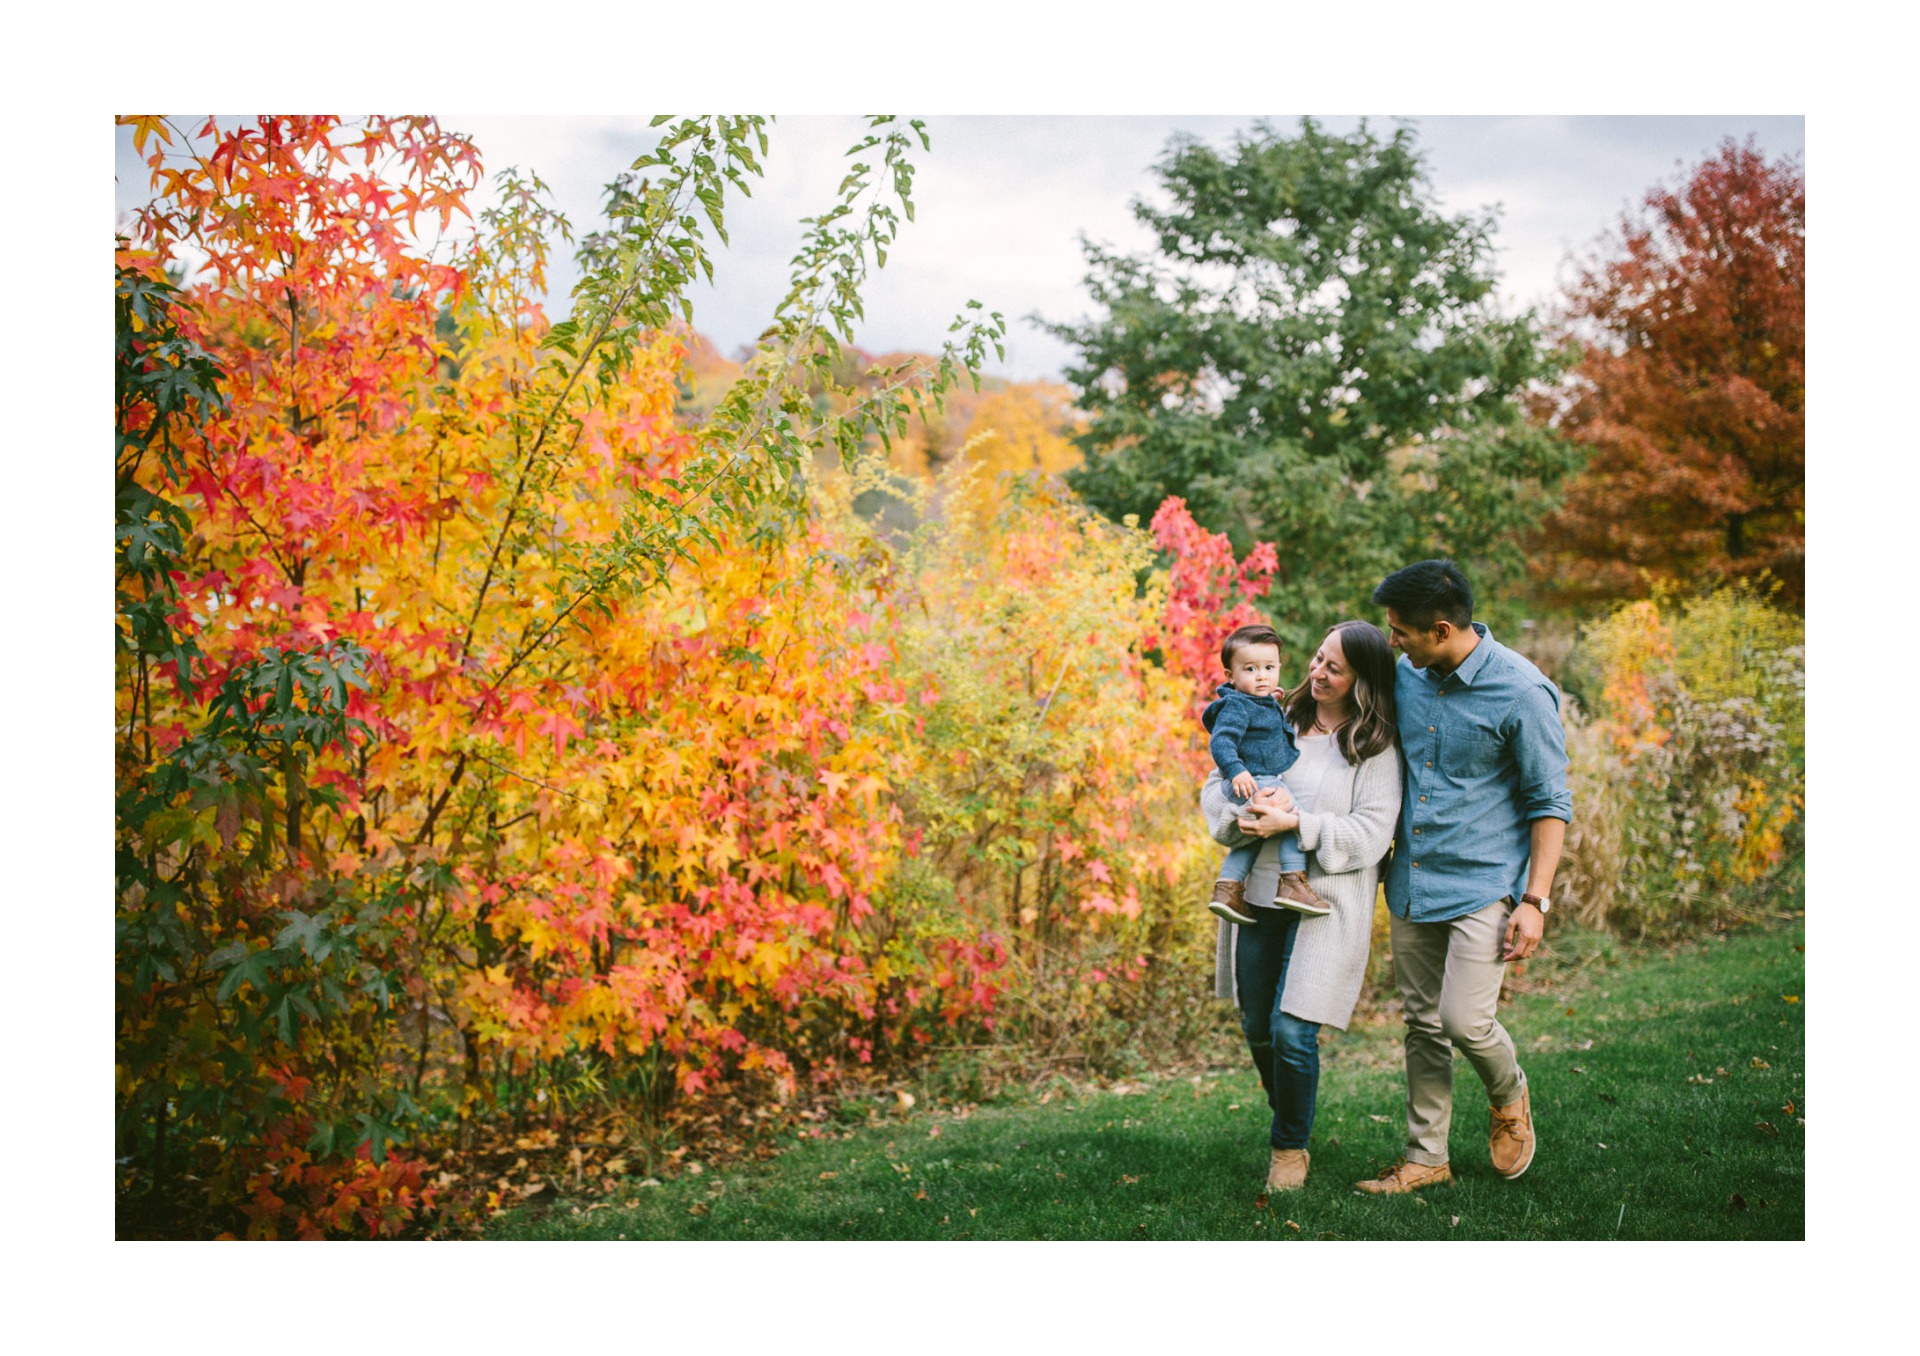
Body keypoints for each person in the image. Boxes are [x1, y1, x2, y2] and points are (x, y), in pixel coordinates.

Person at [1353, 559, 1572, 1195]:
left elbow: (1549, 803)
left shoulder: (1522, 693)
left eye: (1401, 632)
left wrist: (1535, 901)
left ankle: (1509, 1094)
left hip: (1486, 887)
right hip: (1413, 883)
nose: (1392, 641)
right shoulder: (1410, 676)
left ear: (1442, 628)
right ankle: (1427, 1156)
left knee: (1464, 1022)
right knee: (1421, 1026)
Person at [1205, 620, 1401, 1192]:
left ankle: (1289, 1147)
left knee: (1293, 1034)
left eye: (1334, 667)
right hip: (1258, 894)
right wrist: (1243, 813)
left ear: (1362, 679)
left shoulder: (1374, 747)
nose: (1316, 672)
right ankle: (1289, 1109)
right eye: (1317, 658)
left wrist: (1298, 824)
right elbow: (1214, 784)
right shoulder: (1273, 714)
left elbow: (1371, 833)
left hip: (1325, 903)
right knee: (1257, 1027)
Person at [1202, 623, 1329, 924]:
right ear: (1230, 677)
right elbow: (1221, 741)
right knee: (1291, 820)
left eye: (1269, 667)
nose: (1261, 676)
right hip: (1252, 779)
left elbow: (1258, 722)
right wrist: (1236, 771)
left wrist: (1270, 700)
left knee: (1254, 837)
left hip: (1256, 778)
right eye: (1250, 669)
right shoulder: (1235, 706)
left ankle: (1228, 887)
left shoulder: (1256, 700)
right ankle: (1292, 880)